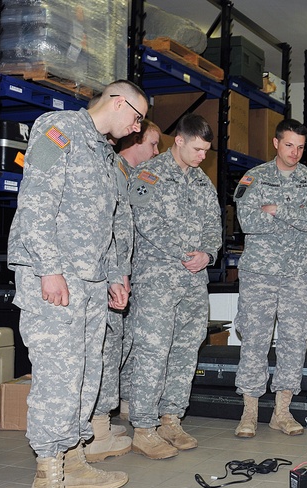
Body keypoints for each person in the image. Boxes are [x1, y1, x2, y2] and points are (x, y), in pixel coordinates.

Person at [8, 80, 148, 488]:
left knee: (87, 375)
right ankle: (45, 484)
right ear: (118, 101)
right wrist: (49, 268)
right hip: (55, 276)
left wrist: (114, 275)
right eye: (137, 117)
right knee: (58, 377)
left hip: (88, 281)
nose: (137, 127)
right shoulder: (60, 129)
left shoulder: (105, 154)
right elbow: (35, 205)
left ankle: (73, 464)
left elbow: (108, 222)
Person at [126, 114, 221, 458]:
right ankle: (144, 426)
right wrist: (185, 253)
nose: (202, 157)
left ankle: (171, 419)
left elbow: (215, 226)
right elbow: (145, 220)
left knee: (185, 352)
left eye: (206, 151)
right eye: (197, 149)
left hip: (194, 283)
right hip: (157, 280)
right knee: (152, 352)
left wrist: (207, 254)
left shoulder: (202, 183)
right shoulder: (147, 175)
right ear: (179, 140)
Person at [233, 119, 307, 438]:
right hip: (259, 273)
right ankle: (249, 412)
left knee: (294, 339)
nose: (295, 152)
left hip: (297, 275)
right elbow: (246, 219)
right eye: (289, 145)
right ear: (276, 143)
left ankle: (282, 411)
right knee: (255, 339)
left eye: (301, 146)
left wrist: (278, 210)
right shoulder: (255, 177)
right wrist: (291, 216)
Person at [86, 118, 162, 462]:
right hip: (104, 276)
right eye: (153, 144)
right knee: (105, 348)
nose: (157, 152)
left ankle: (103, 421)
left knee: (120, 347)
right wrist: (115, 274)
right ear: (134, 142)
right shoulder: (112, 170)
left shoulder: (134, 178)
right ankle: (97, 430)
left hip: (122, 275)